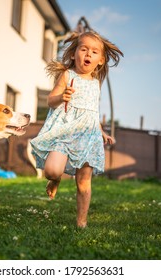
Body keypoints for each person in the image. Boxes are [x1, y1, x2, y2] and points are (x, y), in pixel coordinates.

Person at [31, 30, 123, 228]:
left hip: (88, 135)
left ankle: (81, 222)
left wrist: (101, 131)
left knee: (83, 182)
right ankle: (55, 180)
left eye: (94, 52)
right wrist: (61, 97)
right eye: (84, 49)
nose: (88, 54)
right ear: (74, 54)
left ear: (101, 60)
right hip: (64, 130)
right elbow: (50, 100)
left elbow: (92, 112)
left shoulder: (96, 83)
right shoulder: (67, 75)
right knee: (52, 169)